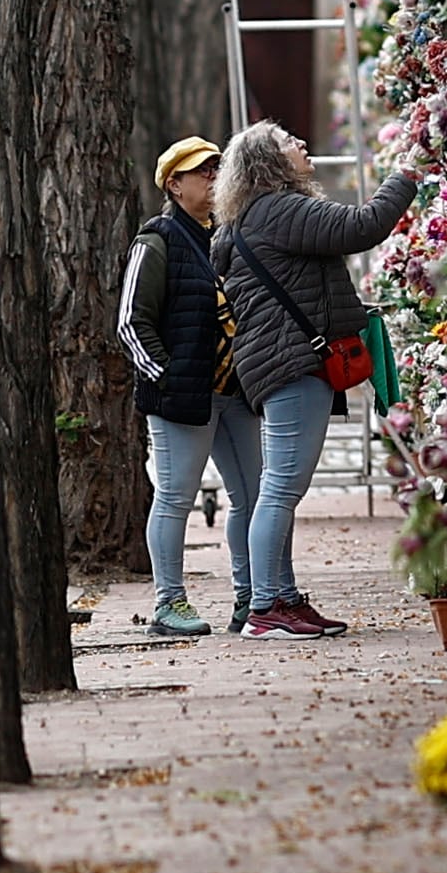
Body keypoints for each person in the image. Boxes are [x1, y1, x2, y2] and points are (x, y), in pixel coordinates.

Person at [213, 120, 419, 637]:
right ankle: (264, 609)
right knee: (280, 489)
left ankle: (282, 597)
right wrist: (407, 174)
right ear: (269, 163)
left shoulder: (251, 218)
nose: (301, 144)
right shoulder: (279, 209)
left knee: (278, 488)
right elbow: (363, 226)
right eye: (288, 142)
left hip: (280, 362)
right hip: (292, 363)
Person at [121, 135, 263, 637]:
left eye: (218, 168)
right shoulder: (156, 240)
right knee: (176, 498)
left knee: (254, 494)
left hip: (235, 393)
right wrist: (169, 377)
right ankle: (169, 604)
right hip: (184, 398)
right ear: (174, 184)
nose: (213, 176)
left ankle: (253, 598)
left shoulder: (225, 235)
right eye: (203, 170)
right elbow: (131, 323)